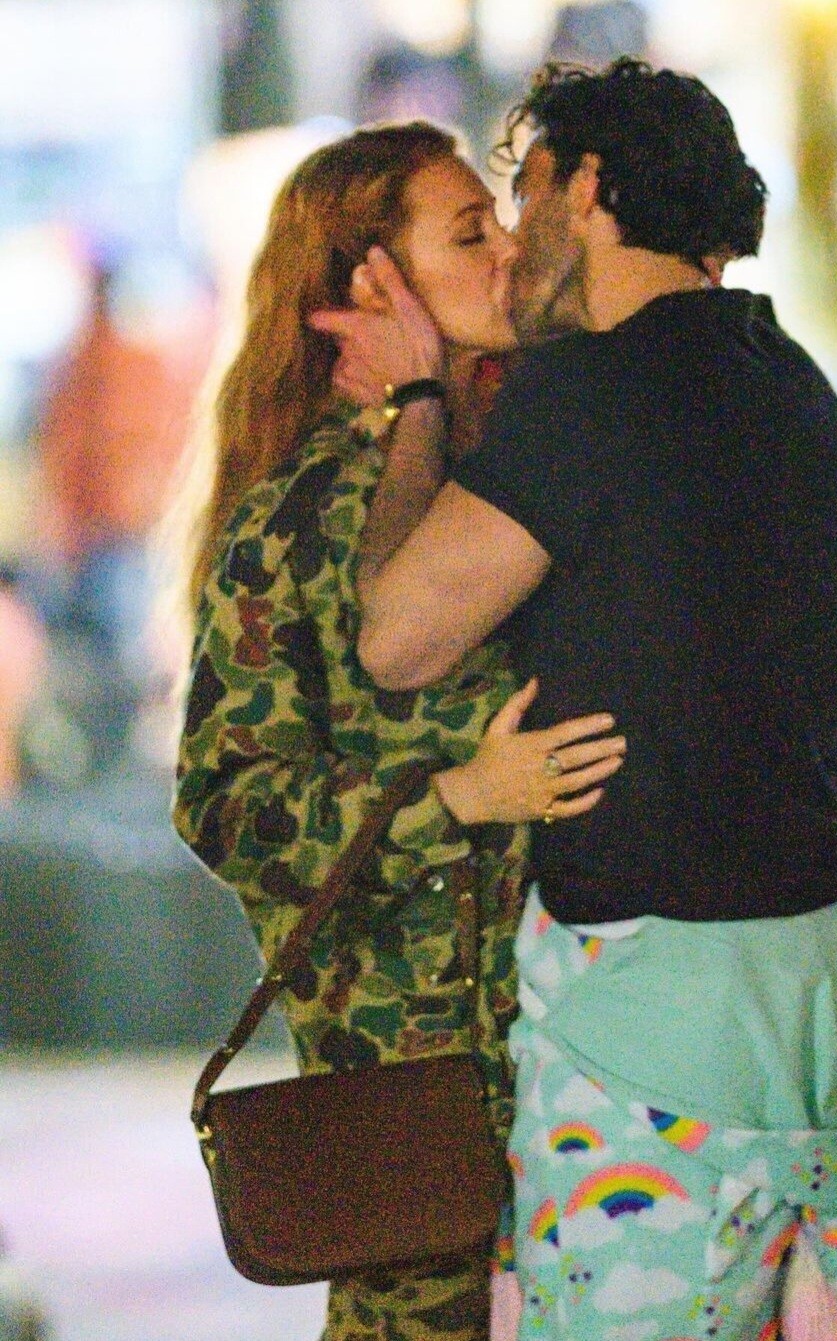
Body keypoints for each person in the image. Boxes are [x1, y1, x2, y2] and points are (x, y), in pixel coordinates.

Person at [343, 60, 837, 1340]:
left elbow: (397, 639)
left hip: (663, 1007)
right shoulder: (799, 387)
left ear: (590, 187)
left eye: (523, 195)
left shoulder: (594, 393)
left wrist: (418, 399)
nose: (511, 245)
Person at [170, 123, 628, 1341]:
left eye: (501, 221)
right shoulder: (296, 522)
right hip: (414, 1098)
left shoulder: (527, 466)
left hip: (599, 1066)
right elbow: (228, 807)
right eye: (468, 235)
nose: (507, 251)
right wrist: (457, 799)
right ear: (369, 286)